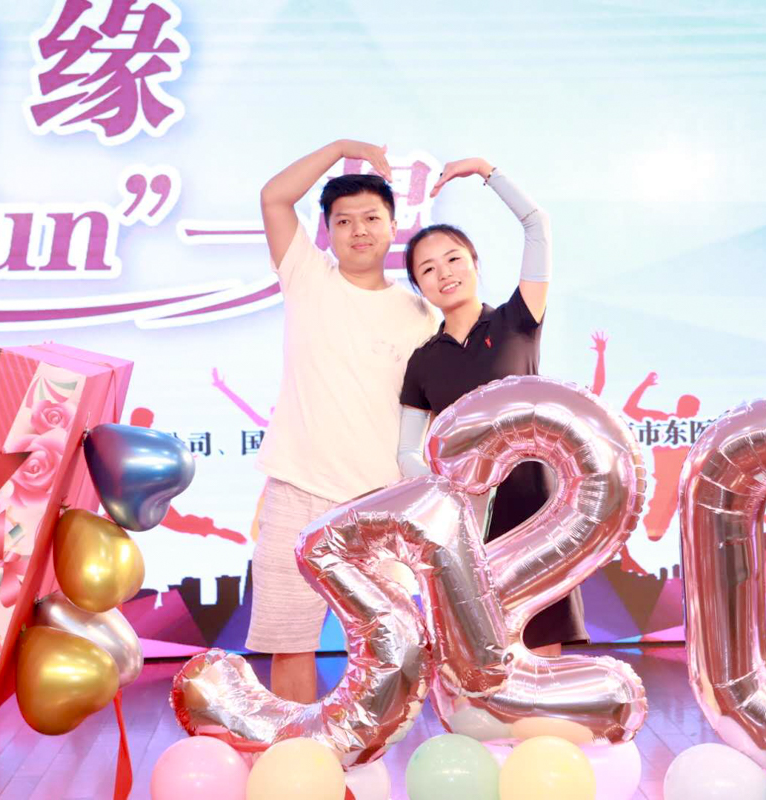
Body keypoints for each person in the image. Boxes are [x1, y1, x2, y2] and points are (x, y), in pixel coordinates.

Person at [248, 140, 437, 703]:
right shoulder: (308, 276)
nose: (359, 230)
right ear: (327, 231)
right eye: (344, 220)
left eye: (372, 218)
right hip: (298, 490)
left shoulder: (421, 314)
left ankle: (368, 749)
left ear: (393, 226)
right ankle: (298, 752)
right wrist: (341, 149)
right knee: (290, 644)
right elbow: (274, 197)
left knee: (387, 649)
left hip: (382, 504)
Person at [396, 157, 587, 656]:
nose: (444, 273)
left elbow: (537, 224)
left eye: (454, 259)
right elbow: (406, 451)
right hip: (465, 522)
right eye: (428, 269)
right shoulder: (422, 362)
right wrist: (449, 493)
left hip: (535, 507)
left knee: (541, 649)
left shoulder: (516, 321)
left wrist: (486, 171)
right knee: (480, 651)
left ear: (475, 264)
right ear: (419, 287)